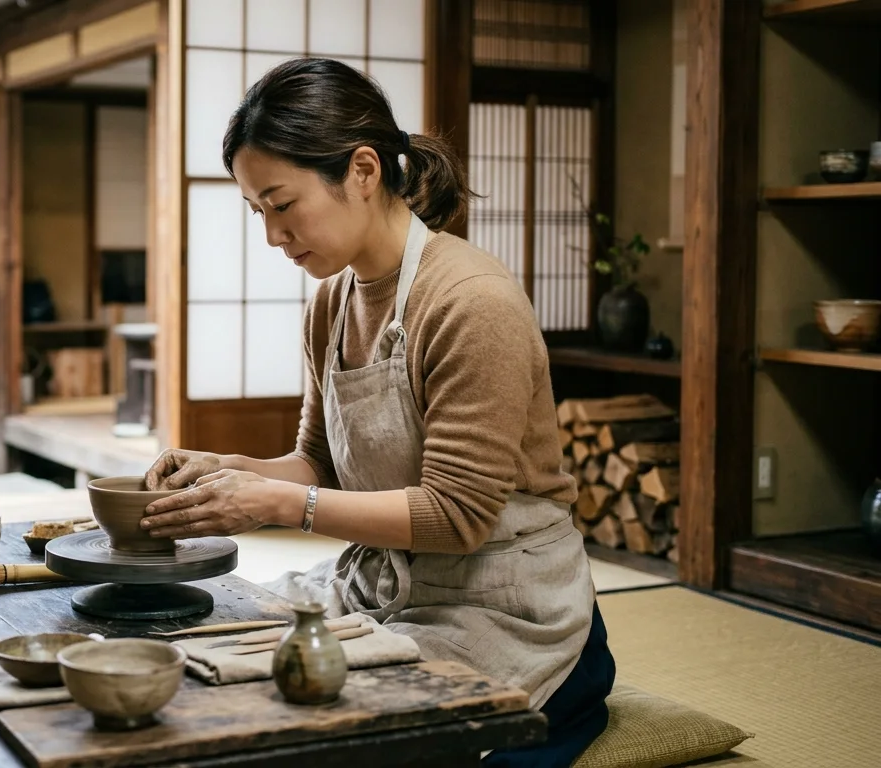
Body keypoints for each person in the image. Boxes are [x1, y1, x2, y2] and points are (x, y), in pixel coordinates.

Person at [139, 58, 614, 766]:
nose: (273, 235)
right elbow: (319, 464)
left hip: (500, 603)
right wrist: (228, 470)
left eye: (282, 203)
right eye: (258, 212)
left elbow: (456, 517)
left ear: (362, 170)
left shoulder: (471, 301)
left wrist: (272, 503)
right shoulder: (332, 301)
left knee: (322, 743)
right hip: (379, 585)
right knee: (195, 644)